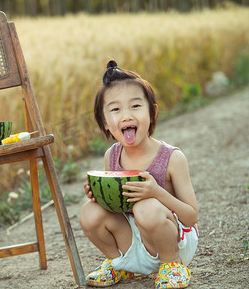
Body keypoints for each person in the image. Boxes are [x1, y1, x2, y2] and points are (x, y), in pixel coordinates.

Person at [79, 60, 198, 288]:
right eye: (115, 109)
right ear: (105, 122)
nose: (126, 116)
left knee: (147, 208)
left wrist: (156, 192)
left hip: (172, 240)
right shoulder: (111, 157)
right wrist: (99, 197)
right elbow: (116, 208)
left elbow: (191, 217)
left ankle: (172, 266)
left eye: (135, 106)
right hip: (133, 241)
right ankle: (121, 265)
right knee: (89, 212)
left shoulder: (172, 158)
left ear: (152, 113)